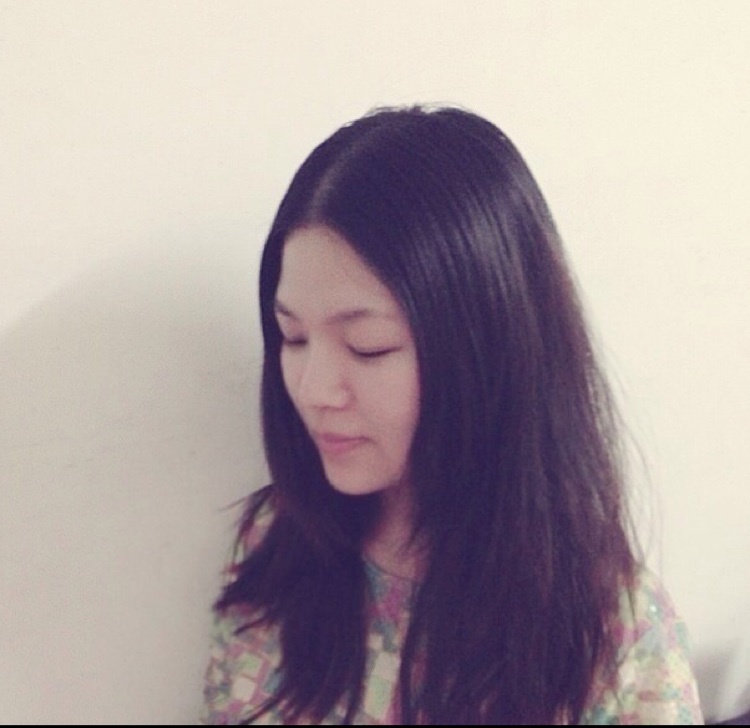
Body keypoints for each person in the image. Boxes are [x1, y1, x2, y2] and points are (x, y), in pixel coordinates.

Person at [201, 105, 703, 725]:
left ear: (488, 351)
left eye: (367, 347)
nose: (312, 388)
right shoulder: (277, 540)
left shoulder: (614, 641)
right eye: (293, 337)